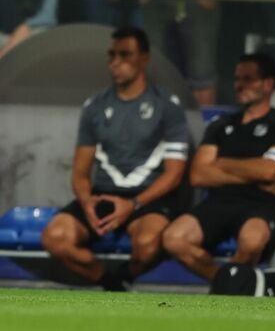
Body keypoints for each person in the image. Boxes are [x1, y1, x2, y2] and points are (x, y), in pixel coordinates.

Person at [41, 27, 191, 291]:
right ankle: (110, 283)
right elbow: (79, 170)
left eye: (125, 54)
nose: (116, 62)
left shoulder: (167, 105)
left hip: (148, 199)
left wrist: (132, 204)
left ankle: (124, 276)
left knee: (148, 245)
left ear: (144, 58)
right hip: (103, 196)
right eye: (112, 55)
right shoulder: (95, 106)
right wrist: (87, 203)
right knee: (54, 237)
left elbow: (175, 173)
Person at [163, 53, 275, 282]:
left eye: (248, 79)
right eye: (237, 79)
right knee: (174, 238)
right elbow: (198, 175)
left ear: (268, 83)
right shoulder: (221, 124)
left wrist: (222, 164)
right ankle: (225, 283)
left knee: (252, 240)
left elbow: (270, 170)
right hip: (217, 204)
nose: (239, 85)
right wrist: (253, 172)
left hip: (260, 206)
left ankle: (231, 286)